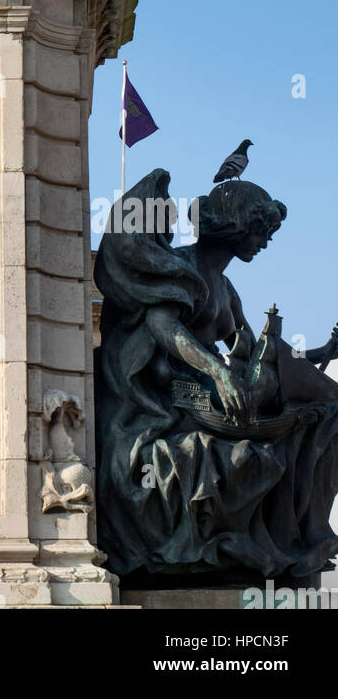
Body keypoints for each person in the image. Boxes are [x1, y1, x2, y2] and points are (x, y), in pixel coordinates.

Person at [95, 171, 338, 582]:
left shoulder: (226, 288)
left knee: (322, 413)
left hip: (208, 400)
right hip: (163, 406)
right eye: (261, 230)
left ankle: (302, 542)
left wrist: (315, 354)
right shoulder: (179, 267)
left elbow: (258, 350)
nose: (265, 242)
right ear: (236, 225)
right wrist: (218, 373)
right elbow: (164, 328)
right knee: (239, 458)